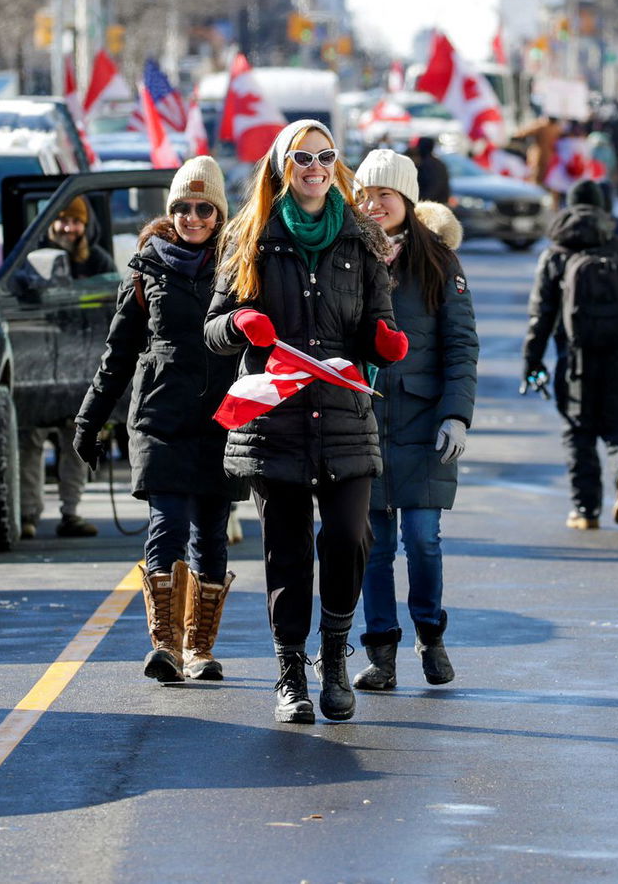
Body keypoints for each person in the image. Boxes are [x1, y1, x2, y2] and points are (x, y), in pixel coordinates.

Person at [204, 120, 406, 724]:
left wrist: (383, 339)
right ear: (281, 166)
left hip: (344, 414)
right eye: (302, 157)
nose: (314, 166)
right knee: (287, 552)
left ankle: (336, 658)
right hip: (277, 421)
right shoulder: (252, 238)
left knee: (348, 538)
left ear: (334, 165)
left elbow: (380, 317)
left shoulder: (361, 238)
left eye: (325, 156)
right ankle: (290, 673)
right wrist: (241, 325)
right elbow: (213, 328)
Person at [73, 158, 242, 683]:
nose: (192, 217)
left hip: (222, 416)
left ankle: (200, 647)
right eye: (182, 208)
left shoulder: (239, 267)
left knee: (211, 534)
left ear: (218, 213)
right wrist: (89, 422)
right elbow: (118, 354)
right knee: (167, 525)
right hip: (160, 417)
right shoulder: (146, 267)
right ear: (170, 212)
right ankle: (165, 645)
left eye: (204, 208)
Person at [350, 150, 478, 691]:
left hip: (426, 425)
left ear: (407, 199)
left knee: (423, 538)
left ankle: (431, 633)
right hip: (363, 421)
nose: (375, 204)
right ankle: (381, 652)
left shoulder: (439, 262)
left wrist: (456, 415)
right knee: (373, 545)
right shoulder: (346, 254)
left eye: (386, 194)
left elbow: (461, 345)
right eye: (367, 194)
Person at [522, 180, 618, 530]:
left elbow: (541, 315)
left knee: (578, 432)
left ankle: (585, 510)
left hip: (575, 360)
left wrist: (532, 361)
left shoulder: (556, 253)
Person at [18, 196, 116, 539]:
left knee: (76, 441)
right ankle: (28, 515)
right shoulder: (30, 262)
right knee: (30, 438)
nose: (68, 228)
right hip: (38, 367)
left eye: (75, 222)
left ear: (85, 225)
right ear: (49, 224)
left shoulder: (98, 261)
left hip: (80, 367)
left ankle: (70, 514)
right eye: (62, 220)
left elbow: (112, 311)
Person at [408, 136, 452, 203]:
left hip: (431, 204)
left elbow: (432, 189)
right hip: (439, 203)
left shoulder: (427, 165)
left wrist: (420, 200)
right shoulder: (438, 163)